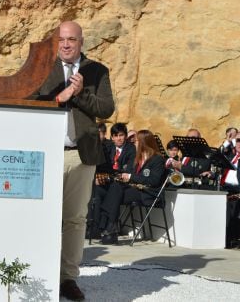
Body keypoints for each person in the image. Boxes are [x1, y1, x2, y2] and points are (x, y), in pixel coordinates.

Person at [33, 20, 114, 301]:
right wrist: (60, 98)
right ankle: (39, 271)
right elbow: (29, 102)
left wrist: (80, 96)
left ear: (81, 42)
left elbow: (106, 108)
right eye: (61, 39)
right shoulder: (42, 68)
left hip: (80, 155)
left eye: (72, 40)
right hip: (46, 153)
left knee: (75, 219)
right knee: (42, 217)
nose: (66, 44)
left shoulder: (96, 70)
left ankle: (68, 278)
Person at [98, 130, 166, 245]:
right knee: (115, 188)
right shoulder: (137, 158)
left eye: (137, 141)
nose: (134, 143)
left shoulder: (157, 159)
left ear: (144, 143)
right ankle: (111, 227)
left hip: (148, 193)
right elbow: (130, 173)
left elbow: (153, 181)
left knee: (114, 194)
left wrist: (130, 176)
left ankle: (109, 226)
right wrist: (124, 176)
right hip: (135, 189)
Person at [87, 122, 136, 239]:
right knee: (97, 190)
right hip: (109, 181)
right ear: (112, 137)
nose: (119, 138)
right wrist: (100, 177)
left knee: (115, 189)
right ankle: (95, 227)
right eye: (116, 136)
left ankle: (110, 227)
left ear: (125, 136)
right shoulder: (108, 147)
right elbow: (101, 166)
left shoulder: (130, 148)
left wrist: (113, 174)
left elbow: (128, 170)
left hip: (122, 184)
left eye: (121, 135)